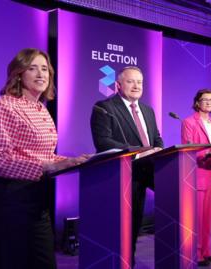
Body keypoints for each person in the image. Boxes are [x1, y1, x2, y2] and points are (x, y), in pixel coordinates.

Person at [0, 48, 90, 269]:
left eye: (45, 69)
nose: (41, 74)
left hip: (37, 198)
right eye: (32, 68)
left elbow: (44, 155)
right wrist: (49, 165)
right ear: (19, 74)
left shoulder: (41, 109)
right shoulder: (4, 105)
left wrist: (71, 161)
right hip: (7, 198)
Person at [90, 66, 164, 264]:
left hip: (147, 174)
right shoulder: (104, 107)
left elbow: (156, 138)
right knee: (122, 230)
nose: (136, 86)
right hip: (121, 177)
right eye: (131, 81)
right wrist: (141, 151)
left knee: (134, 227)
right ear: (118, 85)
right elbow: (103, 142)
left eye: (139, 82)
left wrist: (159, 150)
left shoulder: (148, 110)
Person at [181, 89, 211, 266]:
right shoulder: (188, 122)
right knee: (197, 217)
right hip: (198, 173)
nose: (208, 102)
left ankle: (207, 250)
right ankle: (196, 253)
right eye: (204, 100)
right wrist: (209, 151)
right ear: (197, 102)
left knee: (208, 216)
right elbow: (188, 149)